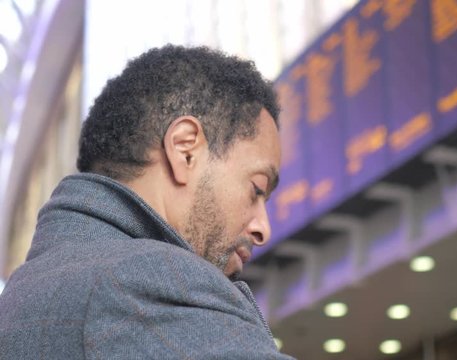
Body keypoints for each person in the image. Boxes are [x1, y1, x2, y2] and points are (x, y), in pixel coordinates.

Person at [0, 45, 295, 359]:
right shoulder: (145, 284)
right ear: (185, 151)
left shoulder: (23, 294)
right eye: (257, 189)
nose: (263, 228)